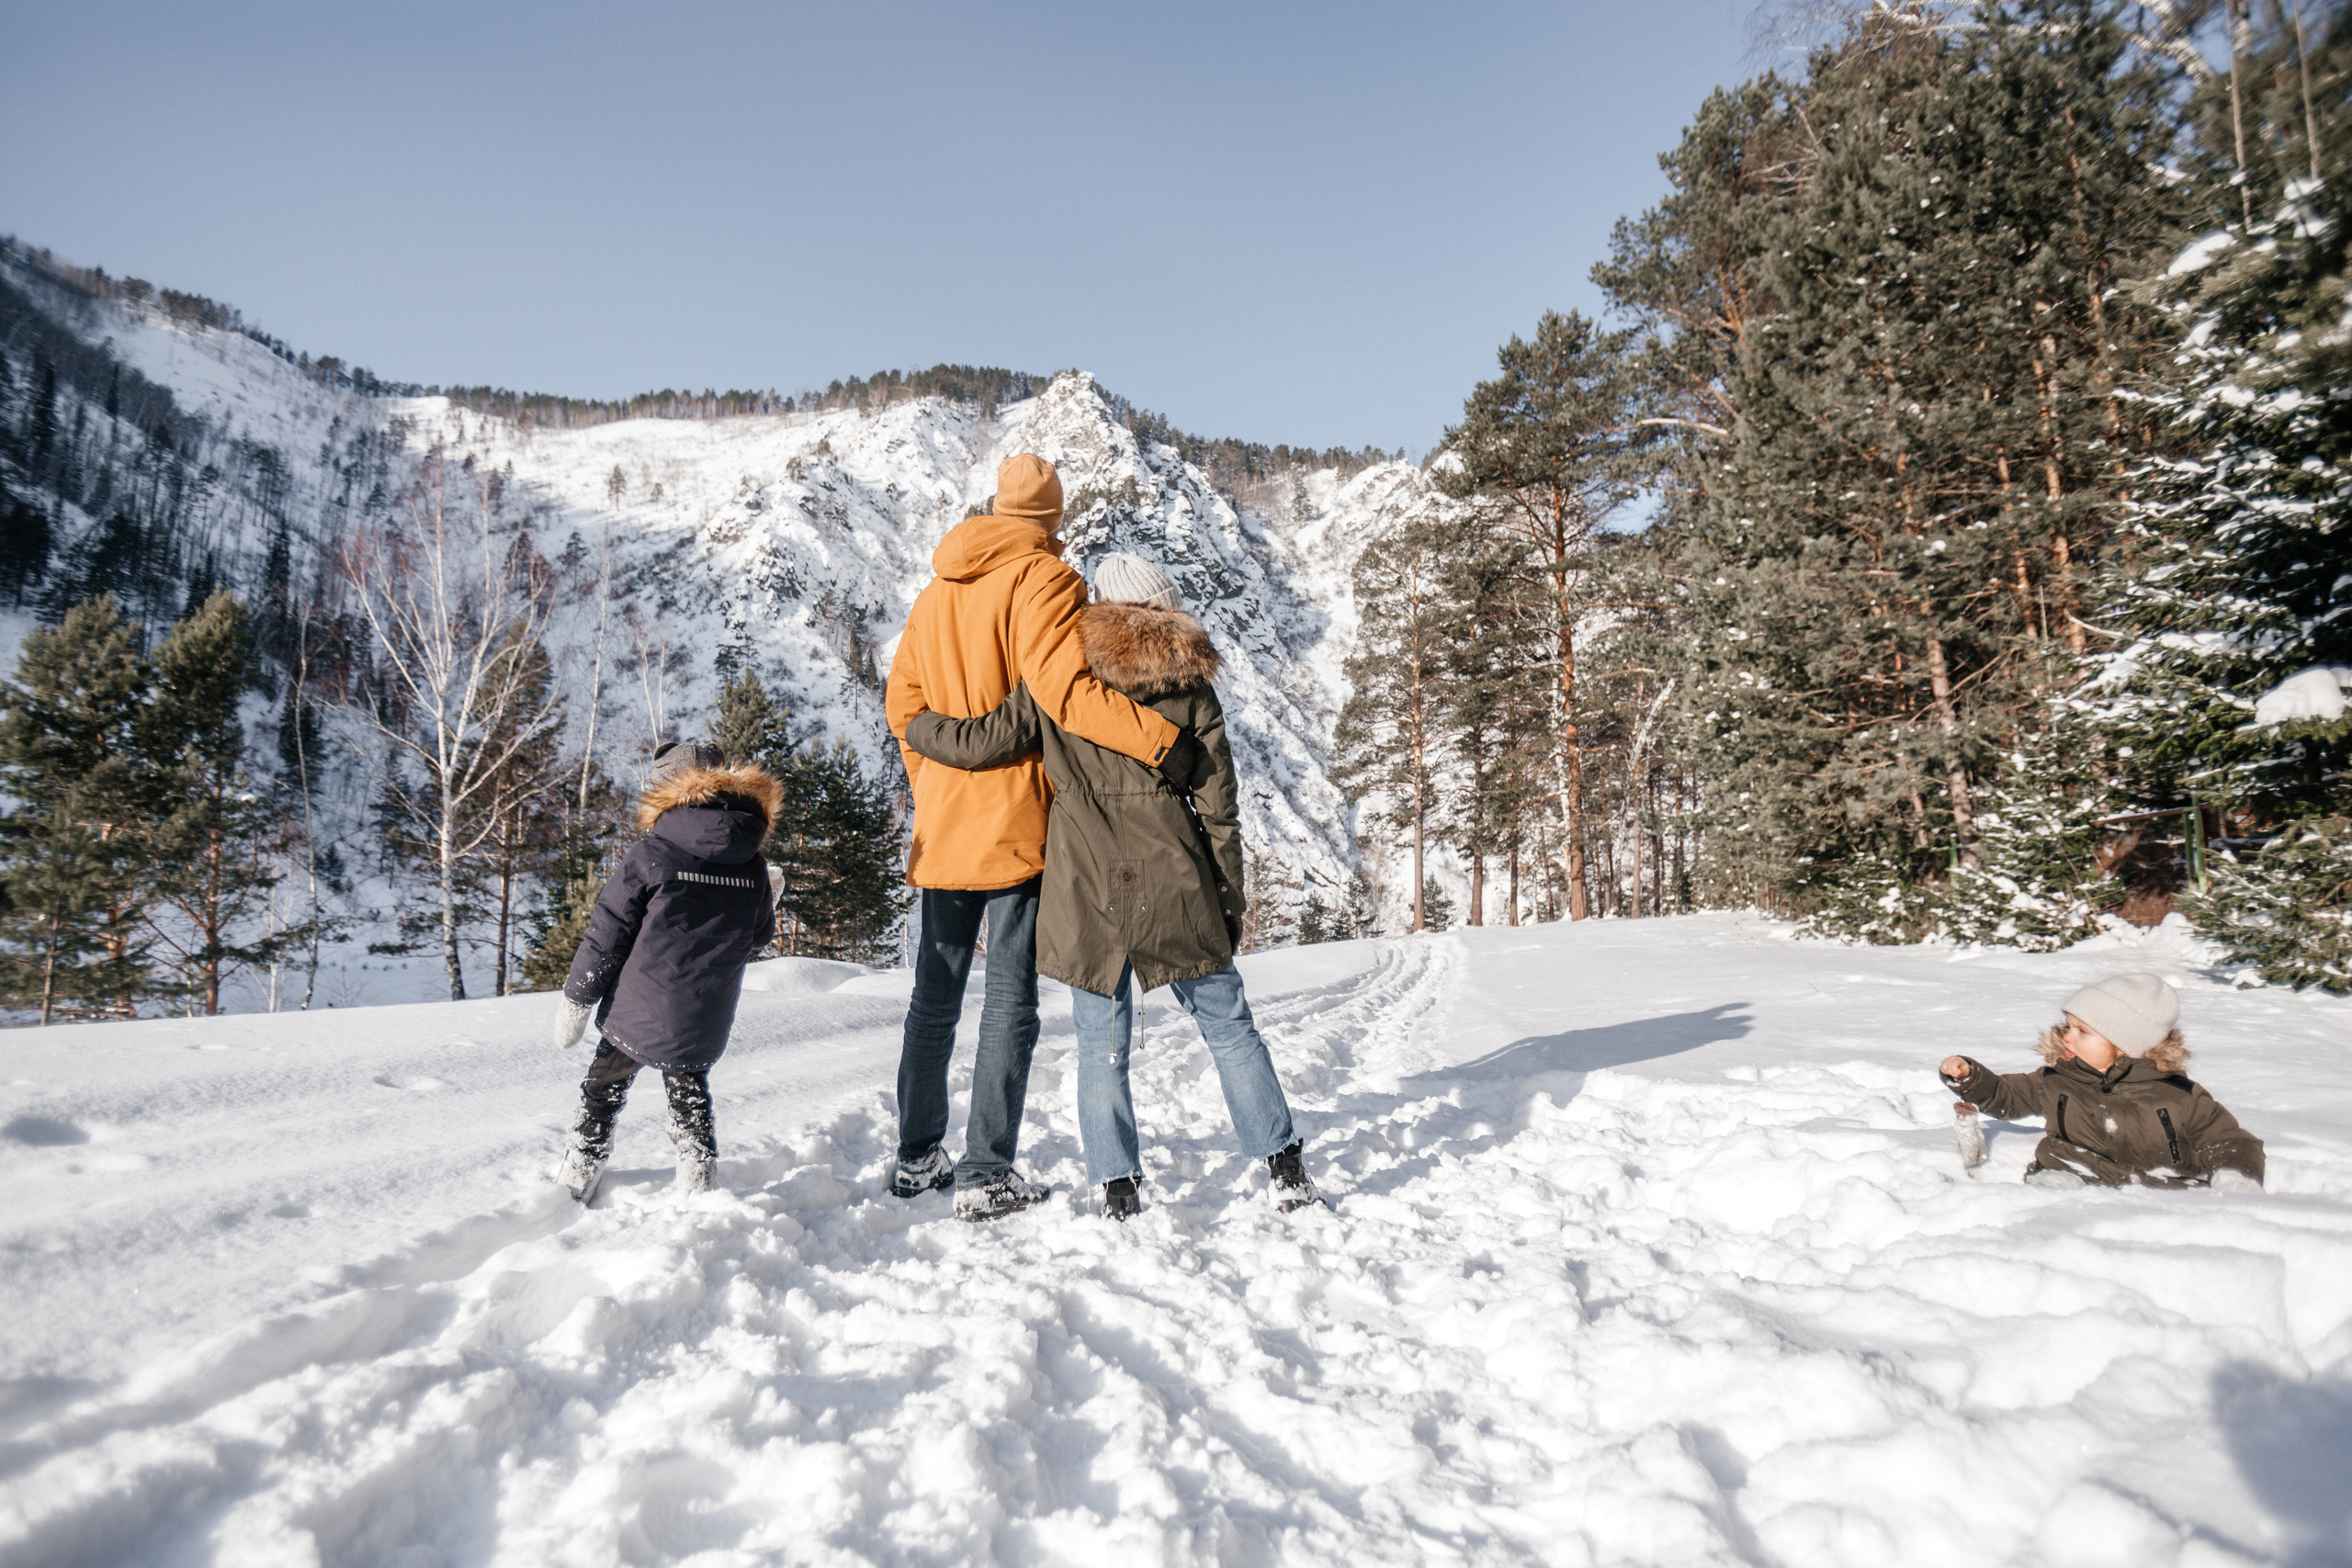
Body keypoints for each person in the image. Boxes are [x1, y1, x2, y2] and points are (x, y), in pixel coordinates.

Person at [905, 551, 1320, 1221]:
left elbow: (983, 742)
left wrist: (918, 724)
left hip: (1087, 885)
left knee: (1103, 1039)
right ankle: (1284, 1164)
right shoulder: (1191, 686)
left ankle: (1116, 1184)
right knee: (1229, 1025)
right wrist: (1230, 897)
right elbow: (1220, 808)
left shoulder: (1057, 679)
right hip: (1176, 878)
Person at [885, 456, 1199, 1222]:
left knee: (934, 997)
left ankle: (917, 1155)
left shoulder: (935, 591)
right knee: (1009, 1001)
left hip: (945, 822)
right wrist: (1160, 740)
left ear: (997, 507)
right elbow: (1064, 694)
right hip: (1017, 822)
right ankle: (988, 1168)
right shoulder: (1044, 581)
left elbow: (903, 706)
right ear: (1053, 520)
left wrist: (931, 781)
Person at [551, 739, 782, 1202]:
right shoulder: (751, 860)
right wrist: (768, 896)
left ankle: (580, 1173)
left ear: (667, 790)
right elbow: (755, 938)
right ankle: (699, 1180)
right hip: (704, 1011)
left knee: (602, 1089)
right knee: (690, 1093)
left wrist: (578, 996)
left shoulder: (652, 854)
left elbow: (608, 933)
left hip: (637, 1007)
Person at [1939, 973, 2265, 1190]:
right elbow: (2004, 1096)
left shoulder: (2179, 1095)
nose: (2067, 1037)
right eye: (2069, 1026)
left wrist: (2235, 1174)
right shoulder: (2057, 1079)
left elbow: (2228, 1139)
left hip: (2161, 1192)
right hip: (2067, 1178)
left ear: (2127, 1044)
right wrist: (1970, 1075)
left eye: (2083, 1031)